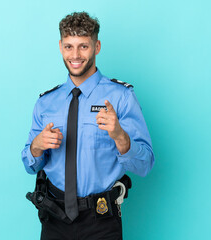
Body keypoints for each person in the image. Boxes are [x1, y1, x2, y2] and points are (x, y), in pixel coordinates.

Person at [21, 11, 155, 240]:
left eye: (83, 46)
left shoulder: (121, 97)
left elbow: (145, 165)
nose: (75, 55)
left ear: (97, 46)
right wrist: (36, 147)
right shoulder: (46, 102)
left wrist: (120, 135)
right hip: (54, 217)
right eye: (69, 46)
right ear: (61, 46)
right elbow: (29, 164)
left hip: (101, 219)